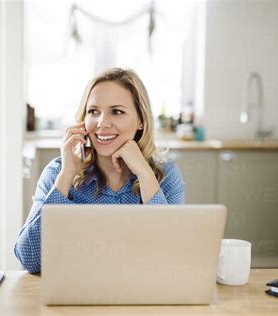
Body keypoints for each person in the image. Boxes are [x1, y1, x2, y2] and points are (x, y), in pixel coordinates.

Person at [14, 68, 185, 273]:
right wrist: (67, 174)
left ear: (141, 121)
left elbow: (172, 256)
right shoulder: (58, 172)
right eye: (93, 111)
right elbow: (30, 260)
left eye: (117, 111)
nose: (102, 123)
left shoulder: (165, 175)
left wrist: (144, 173)